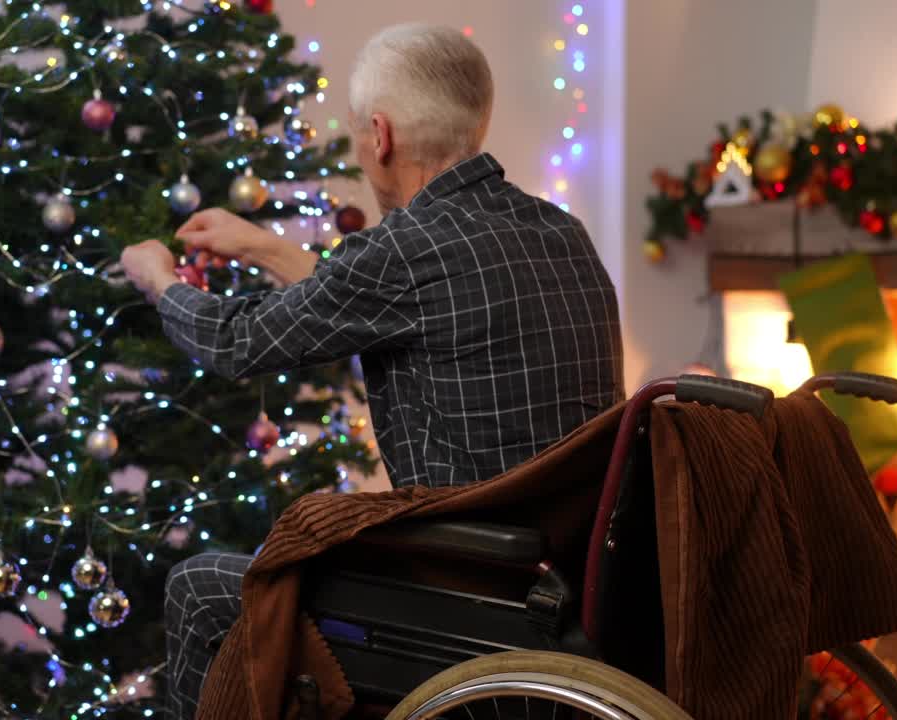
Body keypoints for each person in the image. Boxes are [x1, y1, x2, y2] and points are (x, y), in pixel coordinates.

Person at [120, 22, 623, 718]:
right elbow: (369, 303)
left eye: (358, 133)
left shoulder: (405, 250)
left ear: (379, 135)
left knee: (200, 588)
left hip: (471, 601)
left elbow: (235, 342)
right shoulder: (560, 232)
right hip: (577, 597)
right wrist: (264, 247)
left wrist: (157, 280)